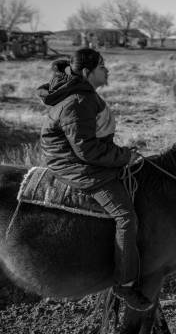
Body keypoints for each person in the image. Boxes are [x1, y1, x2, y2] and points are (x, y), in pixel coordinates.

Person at [37, 48, 153, 310]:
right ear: (88, 73)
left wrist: (122, 154)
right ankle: (125, 285)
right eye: (103, 67)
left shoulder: (83, 96)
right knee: (125, 216)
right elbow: (86, 150)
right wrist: (124, 157)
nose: (108, 70)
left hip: (84, 157)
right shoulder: (77, 101)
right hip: (73, 165)